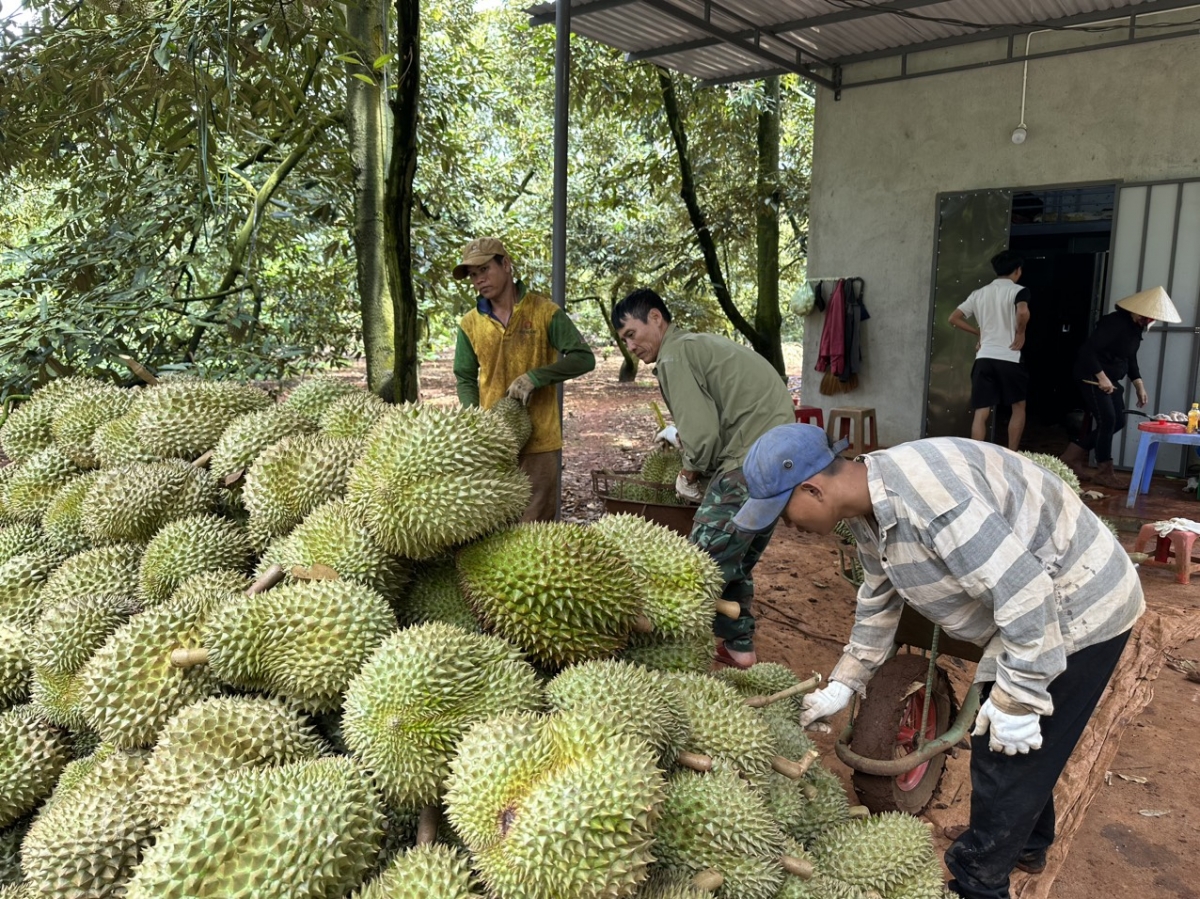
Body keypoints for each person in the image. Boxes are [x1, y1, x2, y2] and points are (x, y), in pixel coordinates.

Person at [733, 424, 1144, 899]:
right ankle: (1028, 843)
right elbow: (879, 594)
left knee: (1003, 750)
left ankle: (980, 883)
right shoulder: (868, 504)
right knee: (1022, 745)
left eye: (783, 512)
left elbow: (1028, 595)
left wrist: (1021, 696)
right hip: (1030, 604)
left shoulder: (933, 501)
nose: (787, 525)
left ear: (812, 488)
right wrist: (845, 682)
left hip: (1080, 605)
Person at [611, 288, 795, 669]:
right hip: (778, 462)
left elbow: (704, 436)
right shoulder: (697, 347)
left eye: (631, 333)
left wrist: (688, 470)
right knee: (734, 558)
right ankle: (739, 648)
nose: (630, 345)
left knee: (696, 564)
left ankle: (670, 655)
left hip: (747, 462)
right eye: (624, 340)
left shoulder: (675, 355)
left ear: (657, 319)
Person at [452, 236, 596, 521]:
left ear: (506, 265)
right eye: (473, 275)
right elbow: (464, 377)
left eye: (484, 270)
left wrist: (537, 377)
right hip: (491, 441)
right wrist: (474, 419)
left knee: (534, 531)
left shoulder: (545, 313)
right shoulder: (470, 324)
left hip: (540, 441)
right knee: (491, 527)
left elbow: (584, 357)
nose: (479, 280)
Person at [1060, 286, 1180, 488]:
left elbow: (1129, 358)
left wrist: (1139, 385)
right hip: (1091, 375)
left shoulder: (1135, 329)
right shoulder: (1114, 323)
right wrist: (1102, 377)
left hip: (1110, 379)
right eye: (1146, 317)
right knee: (1107, 420)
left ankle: (1070, 458)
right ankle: (1104, 472)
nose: (1148, 321)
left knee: (1118, 422)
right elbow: (1087, 351)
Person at [948, 250, 1031, 451]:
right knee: (1018, 407)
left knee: (981, 410)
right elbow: (1022, 311)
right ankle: (1012, 454)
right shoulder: (1019, 290)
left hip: (984, 358)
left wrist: (979, 333)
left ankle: (977, 454)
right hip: (1010, 357)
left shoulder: (979, 293)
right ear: (1017, 271)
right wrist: (1021, 332)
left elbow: (954, 318)